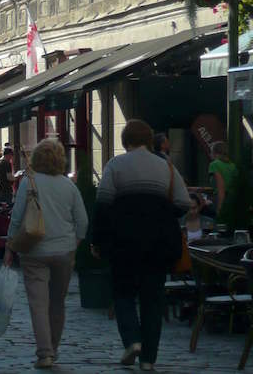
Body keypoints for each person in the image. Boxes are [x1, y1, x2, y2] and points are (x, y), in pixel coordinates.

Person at [91, 120, 190, 371]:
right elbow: (183, 202)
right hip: (158, 242)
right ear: (148, 140)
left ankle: (132, 340)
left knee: (123, 294)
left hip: (123, 241)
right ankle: (148, 358)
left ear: (125, 141)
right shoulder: (165, 167)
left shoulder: (115, 165)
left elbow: (102, 203)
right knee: (152, 299)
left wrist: (98, 240)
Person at [3, 139, 88, 370]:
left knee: (38, 304)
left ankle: (45, 353)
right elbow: (82, 221)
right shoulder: (69, 186)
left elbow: (17, 218)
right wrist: (74, 243)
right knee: (58, 302)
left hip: (34, 250)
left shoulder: (28, 183)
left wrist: (10, 247)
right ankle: (54, 347)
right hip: (64, 251)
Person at [208, 141, 238, 221]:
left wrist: (219, 209)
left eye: (211, 152)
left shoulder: (214, 164)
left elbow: (221, 187)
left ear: (216, 153)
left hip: (220, 200)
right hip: (232, 201)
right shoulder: (233, 166)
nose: (210, 155)